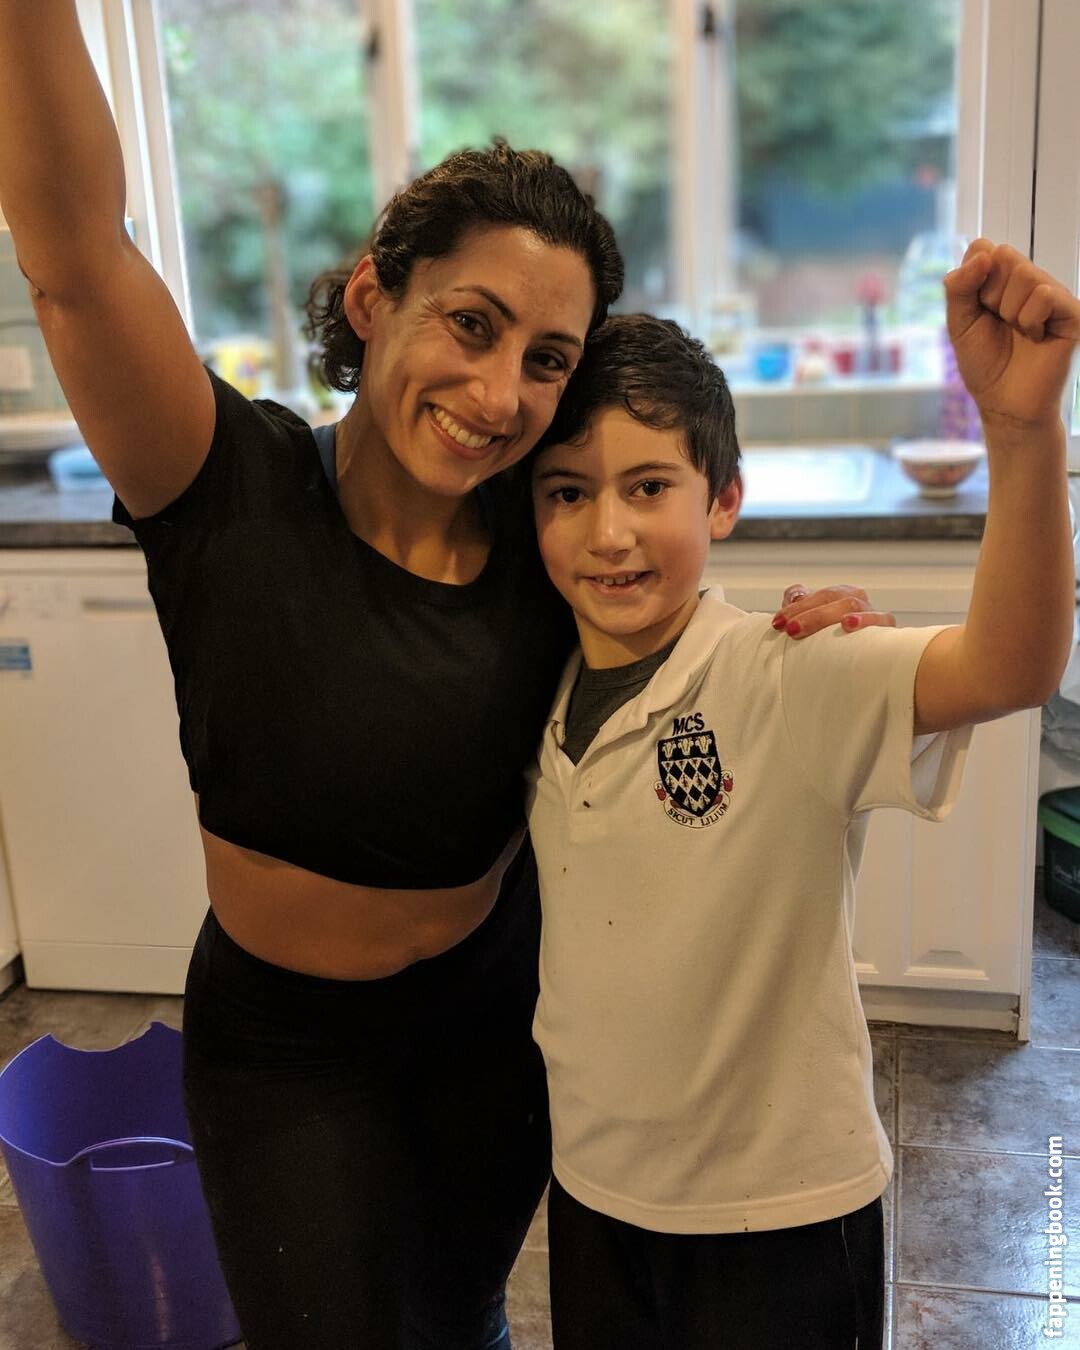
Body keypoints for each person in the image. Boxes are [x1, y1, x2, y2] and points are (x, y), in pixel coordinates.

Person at [0, 6, 898, 1345]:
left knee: (462, 1310)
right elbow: (75, 256)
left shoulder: (546, 546)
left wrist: (799, 625)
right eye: (470, 324)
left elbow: (680, 624)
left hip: (493, 1017)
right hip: (288, 1046)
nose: (498, 393)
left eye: (547, 362)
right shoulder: (223, 482)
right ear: (375, 299)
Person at [526, 249, 1077, 1350]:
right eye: (568, 493)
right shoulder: (530, 682)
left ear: (724, 499)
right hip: (594, 1191)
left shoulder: (789, 668)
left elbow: (1012, 667)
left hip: (779, 1213)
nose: (609, 531)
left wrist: (1022, 433)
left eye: (649, 486)